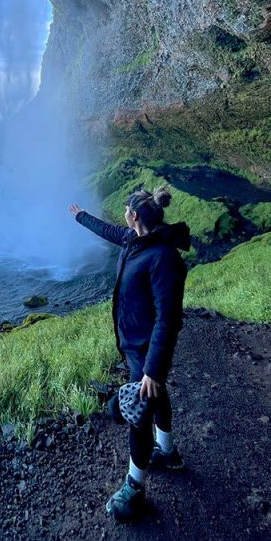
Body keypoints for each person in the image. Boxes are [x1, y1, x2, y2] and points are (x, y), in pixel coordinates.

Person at [69, 185, 190, 522]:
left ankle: (134, 488)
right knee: (156, 395)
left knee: (137, 415)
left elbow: (168, 318)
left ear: (134, 215)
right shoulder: (135, 240)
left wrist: (152, 369)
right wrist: (81, 217)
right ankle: (167, 451)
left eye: (126, 209)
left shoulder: (162, 258)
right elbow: (108, 231)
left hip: (147, 351)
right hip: (136, 347)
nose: (123, 214)